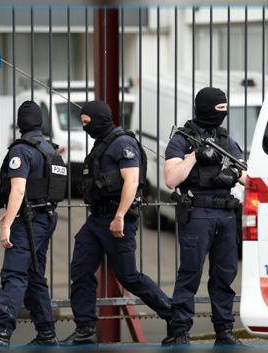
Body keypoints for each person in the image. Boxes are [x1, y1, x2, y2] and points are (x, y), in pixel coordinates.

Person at [61, 100, 173, 345]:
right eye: (82, 123)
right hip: (96, 219)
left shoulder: (122, 144)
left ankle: (174, 317)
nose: (85, 128)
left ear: (100, 119)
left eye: (87, 123)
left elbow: (131, 181)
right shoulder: (101, 144)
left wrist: (120, 216)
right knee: (80, 271)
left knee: (129, 276)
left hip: (116, 218)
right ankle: (85, 329)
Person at [0, 101, 66, 348]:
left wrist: (7, 224)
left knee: (14, 274)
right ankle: (46, 333)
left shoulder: (21, 150)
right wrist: (13, 215)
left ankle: (2, 333)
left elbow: (19, 189)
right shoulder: (50, 149)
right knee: (34, 275)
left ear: (20, 123)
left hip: (28, 222)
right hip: (46, 217)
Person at [163, 87, 247, 346]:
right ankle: (179, 330)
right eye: (219, 109)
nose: (223, 114)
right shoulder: (181, 139)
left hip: (226, 213)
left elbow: (248, 175)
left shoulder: (225, 139)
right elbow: (170, 179)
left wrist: (233, 175)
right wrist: (194, 157)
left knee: (225, 275)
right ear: (206, 108)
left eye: (225, 109)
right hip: (198, 211)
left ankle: (224, 330)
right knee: (190, 273)